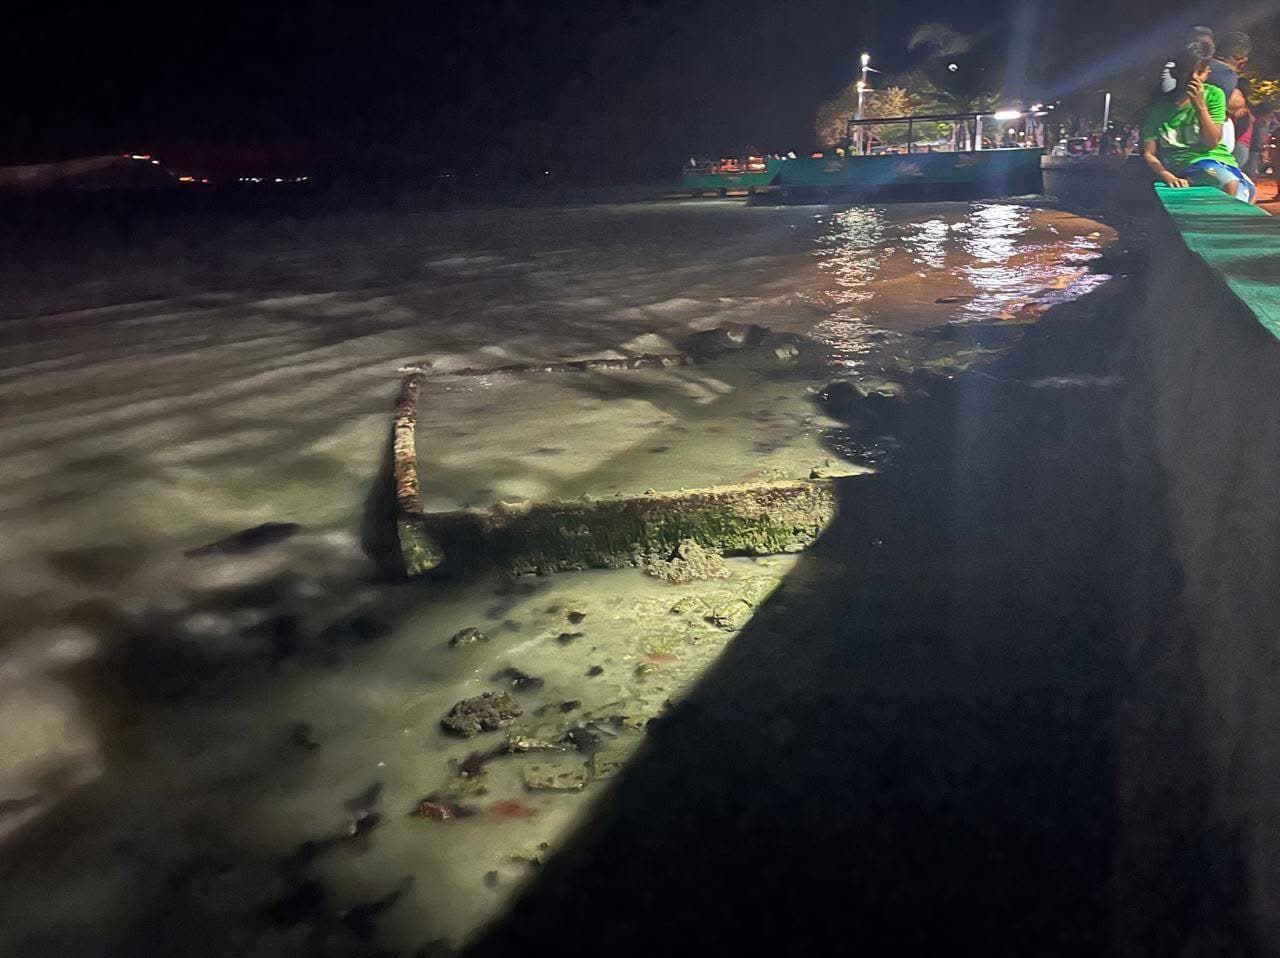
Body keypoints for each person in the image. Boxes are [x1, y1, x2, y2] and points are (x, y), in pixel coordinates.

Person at [1142, 39, 1256, 202]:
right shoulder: (1159, 109)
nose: (1194, 78)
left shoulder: (1214, 95)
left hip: (1218, 162)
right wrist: (1167, 175)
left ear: (1207, 73)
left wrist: (1200, 107)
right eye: (1188, 72)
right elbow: (1149, 153)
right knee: (1231, 186)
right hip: (1185, 165)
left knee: (1244, 193)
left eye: (1200, 73)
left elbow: (1212, 143)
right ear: (1175, 73)